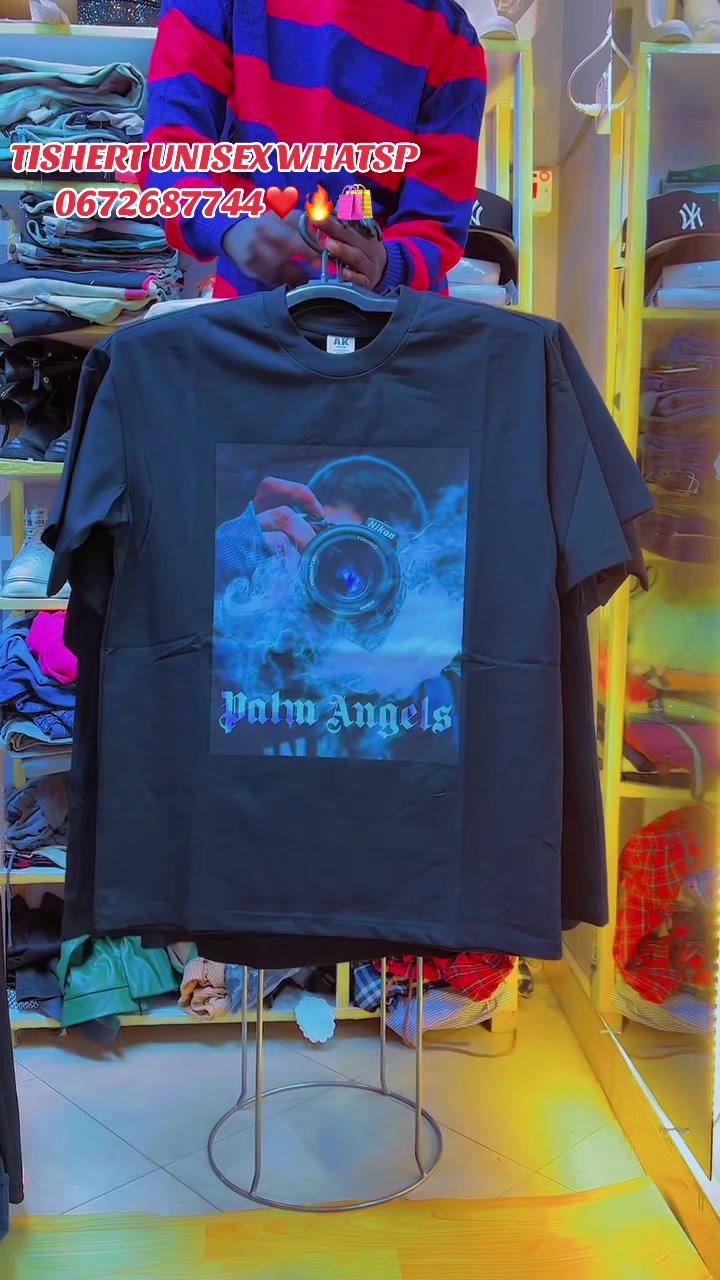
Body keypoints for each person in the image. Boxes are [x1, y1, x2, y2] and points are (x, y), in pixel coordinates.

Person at [142, 0, 487, 299]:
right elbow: (169, 152)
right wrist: (227, 226)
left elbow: (436, 224)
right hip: (255, 324)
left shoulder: (451, 39)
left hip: (392, 327)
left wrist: (385, 265)